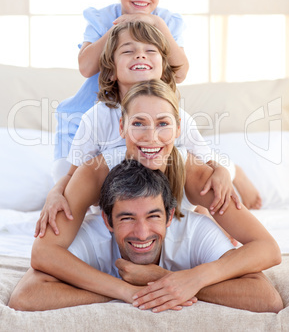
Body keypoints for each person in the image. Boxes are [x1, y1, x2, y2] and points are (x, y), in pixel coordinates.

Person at [51, 0, 261, 216]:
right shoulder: (103, 19)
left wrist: (158, 27)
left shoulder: (167, 22)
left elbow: (181, 71)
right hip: (89, 114)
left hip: (146, 115)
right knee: (68, 183)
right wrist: (121, 27)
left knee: (186, 166)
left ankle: (233, 171)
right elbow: (86, 66)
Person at [36, 21, 241, 238]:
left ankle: (215, 199)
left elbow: (208, 164)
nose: (140, 55)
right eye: (128, 51)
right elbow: (72, 175)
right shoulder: (97, 118)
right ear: (111, 71)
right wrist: (54, 193)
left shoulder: (178, 118)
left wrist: (222, 172)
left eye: (150, 50)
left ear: (163, 69)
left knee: (217, 223)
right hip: (120, 213)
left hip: (173, 210)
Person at [8, 160, 283, 313]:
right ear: (107, 220)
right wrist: (127, 292)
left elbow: (267, 299)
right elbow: (26, 297)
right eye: (126, 218)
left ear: (170, 215)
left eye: (153, 216)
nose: (141, 233)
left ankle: (233, 168)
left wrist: (158, 278)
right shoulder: (91, 232)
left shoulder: (194, 230)